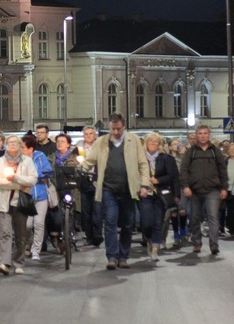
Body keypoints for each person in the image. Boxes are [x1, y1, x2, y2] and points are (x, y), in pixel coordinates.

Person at [83, 113, 150, 269]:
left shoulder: (133, 141)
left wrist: (144, 185)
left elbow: (143, 164)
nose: (115, 132)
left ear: (123, 126)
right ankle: (112, 256)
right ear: (109, 127)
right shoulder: (101, 142)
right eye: (113, 129)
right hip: (108, 189)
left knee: (127, 224)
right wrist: (78, 169)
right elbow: (89, 161)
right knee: (110, 222)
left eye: (118, 129)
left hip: (128, 189)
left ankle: (123, 256)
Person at [179, 125, 229, 255]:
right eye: (200, 133)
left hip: (213, 190)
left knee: (213, 217)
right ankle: (197, 242)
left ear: (209, 135)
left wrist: (224, 187)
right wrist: (185, 186)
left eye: (205, 133)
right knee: (195, 217)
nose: (202, 135)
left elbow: (222, 171)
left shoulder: (215, 151)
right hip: (194, 191)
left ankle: (214, 244)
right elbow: (183, 170)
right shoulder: (191, 152)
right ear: (196, 135)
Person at [0, 135, 37, 275]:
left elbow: (33, 180)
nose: (11, 145)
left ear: (19, 145)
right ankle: (4, 263)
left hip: (20, 203)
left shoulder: (27, 161)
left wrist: (16, 178)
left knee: (21, 234)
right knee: (5, 233)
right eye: (9, 142)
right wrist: (18, 185)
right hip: (3, 202)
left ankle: (18, 262)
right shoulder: (0, 161)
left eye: (14, 143)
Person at [140, 132, 179, 261]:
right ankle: (149, 239)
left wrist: (158, 180)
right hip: (145, 193)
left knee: (158, 222)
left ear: (160, 145)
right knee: (146, 223)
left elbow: (172, 176)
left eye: (156, 142)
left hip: (161, 194)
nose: (153, 144)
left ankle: (155, 249)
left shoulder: (167, 158)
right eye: (150, 141)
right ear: (146, 144)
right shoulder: (140, 158)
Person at [21, 134, 52, 261]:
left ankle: (36, 250)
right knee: (27, 225)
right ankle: (28, 244)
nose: (21, 149)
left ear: (31, 148)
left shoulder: (40, 156)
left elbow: (48, 171)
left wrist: (33, 175)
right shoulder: (18, 159)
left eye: (23, 147)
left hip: (41, 195)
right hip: (26, 196)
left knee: (39, 224)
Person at [77, 125, 103, 247]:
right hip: (84, 180)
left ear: (95, 135)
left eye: (90, 134)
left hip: (97, 180)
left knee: (97, 210)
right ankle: (89, 236)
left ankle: (97, 235)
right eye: (86, 134)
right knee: (86, 212)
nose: (88, 136)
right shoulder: (79, 148)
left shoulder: (101, 147)